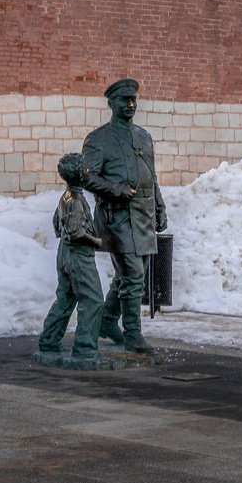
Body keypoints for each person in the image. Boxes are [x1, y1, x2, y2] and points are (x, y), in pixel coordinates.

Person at [82, 78, 166, 353]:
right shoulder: (98, 139)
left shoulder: (144, 136)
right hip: (116, 217)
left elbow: (151, 177)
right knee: (132, 275)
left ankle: (107, 321)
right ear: (111, 104)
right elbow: (87, 177)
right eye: (123, 100)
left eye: (133, 100)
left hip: (142, 216)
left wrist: (160, 207)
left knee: (127, 276)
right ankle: (132, 334)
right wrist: (116, 189)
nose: (130, 105)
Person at [36, 152, 105, 358]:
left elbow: (57, 225)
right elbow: (75, 232)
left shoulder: (65, 197)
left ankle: (48, 340)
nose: (87, 171)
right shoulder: (76, 200)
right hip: (78, 255)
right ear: (79, 174)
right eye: (85, 169)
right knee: (93, 300)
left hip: (64, 254)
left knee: (65, 299)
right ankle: (85, 347)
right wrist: (96, 241)